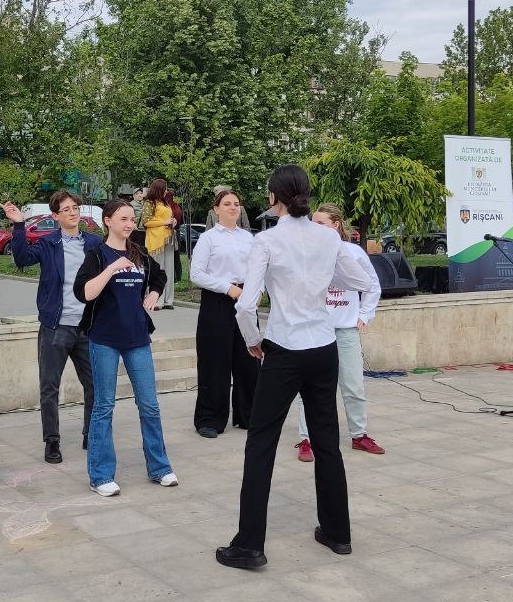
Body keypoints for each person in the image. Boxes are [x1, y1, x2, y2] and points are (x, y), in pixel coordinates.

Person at [215, 164, 375, 570]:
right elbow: (362, 281)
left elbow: (246, 305)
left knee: (261, 442)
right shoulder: (329, 237)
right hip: (323, 346)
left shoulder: (267, 240)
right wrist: (322, 277)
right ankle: (338, 533)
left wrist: (252, 341)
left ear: (274, 198)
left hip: (284, 348)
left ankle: (250, 545)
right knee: (327, 441)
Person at [73, 199, 177, 496]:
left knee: (149, 405)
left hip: (137, 338)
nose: (130, 224)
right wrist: (111, 269)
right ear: (108, 221)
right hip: (104, 339)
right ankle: (100, 475)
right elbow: (84, 292)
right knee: (104, 406)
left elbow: (159, 276)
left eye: (132, 219)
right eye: (124, 219)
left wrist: (154, 293)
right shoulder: (97, 254)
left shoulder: (139, 252)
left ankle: (160, 468)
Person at [2, 191, 102, 465]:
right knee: (49, 387)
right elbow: (22, 258)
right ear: (55, 216)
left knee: (95, 385)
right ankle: (52, 441)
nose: (73, 212)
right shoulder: (49, 243)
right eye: (66, 209)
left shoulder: (94, 242)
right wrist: (19, 225)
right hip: (56, 326)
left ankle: (91, 434)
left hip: (87, 326)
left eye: (75, 207)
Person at [292, 202, 383, 462]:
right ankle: (306, 439)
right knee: (309, 388)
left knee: (353, 386)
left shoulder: (353, 252)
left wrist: (364, 314)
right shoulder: (305, 254)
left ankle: (359, 435)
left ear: (336, 225)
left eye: (320, 223)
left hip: (345, 331)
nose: (314, 227)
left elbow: (372, 285)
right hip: (314, 331)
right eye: (312, 222)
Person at [189, 188, 259, 438]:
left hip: (245, 300)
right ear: (216, 209)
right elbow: (196, 274)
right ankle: (210, 418)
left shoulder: (249, 238)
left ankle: (248, 415)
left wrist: (257, 290)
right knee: (214, 361)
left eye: (236, 204)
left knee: (249, 359)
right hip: (217, 300)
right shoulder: (208, 238)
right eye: (227, 203)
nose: (232, 207)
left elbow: (258, 268)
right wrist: (227, 288)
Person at [141, 179, 176, 310]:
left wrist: (173, 221)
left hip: (168, 238)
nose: (166, 191)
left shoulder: (164, 202)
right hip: (156, 240)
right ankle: (155, 300)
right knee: (157, 269)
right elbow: (146, 221)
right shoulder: (149, 202)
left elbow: (167, 218)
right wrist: (164, 222)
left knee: (169, 269)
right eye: (165, 188)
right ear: (159, 189)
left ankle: (168, 300)